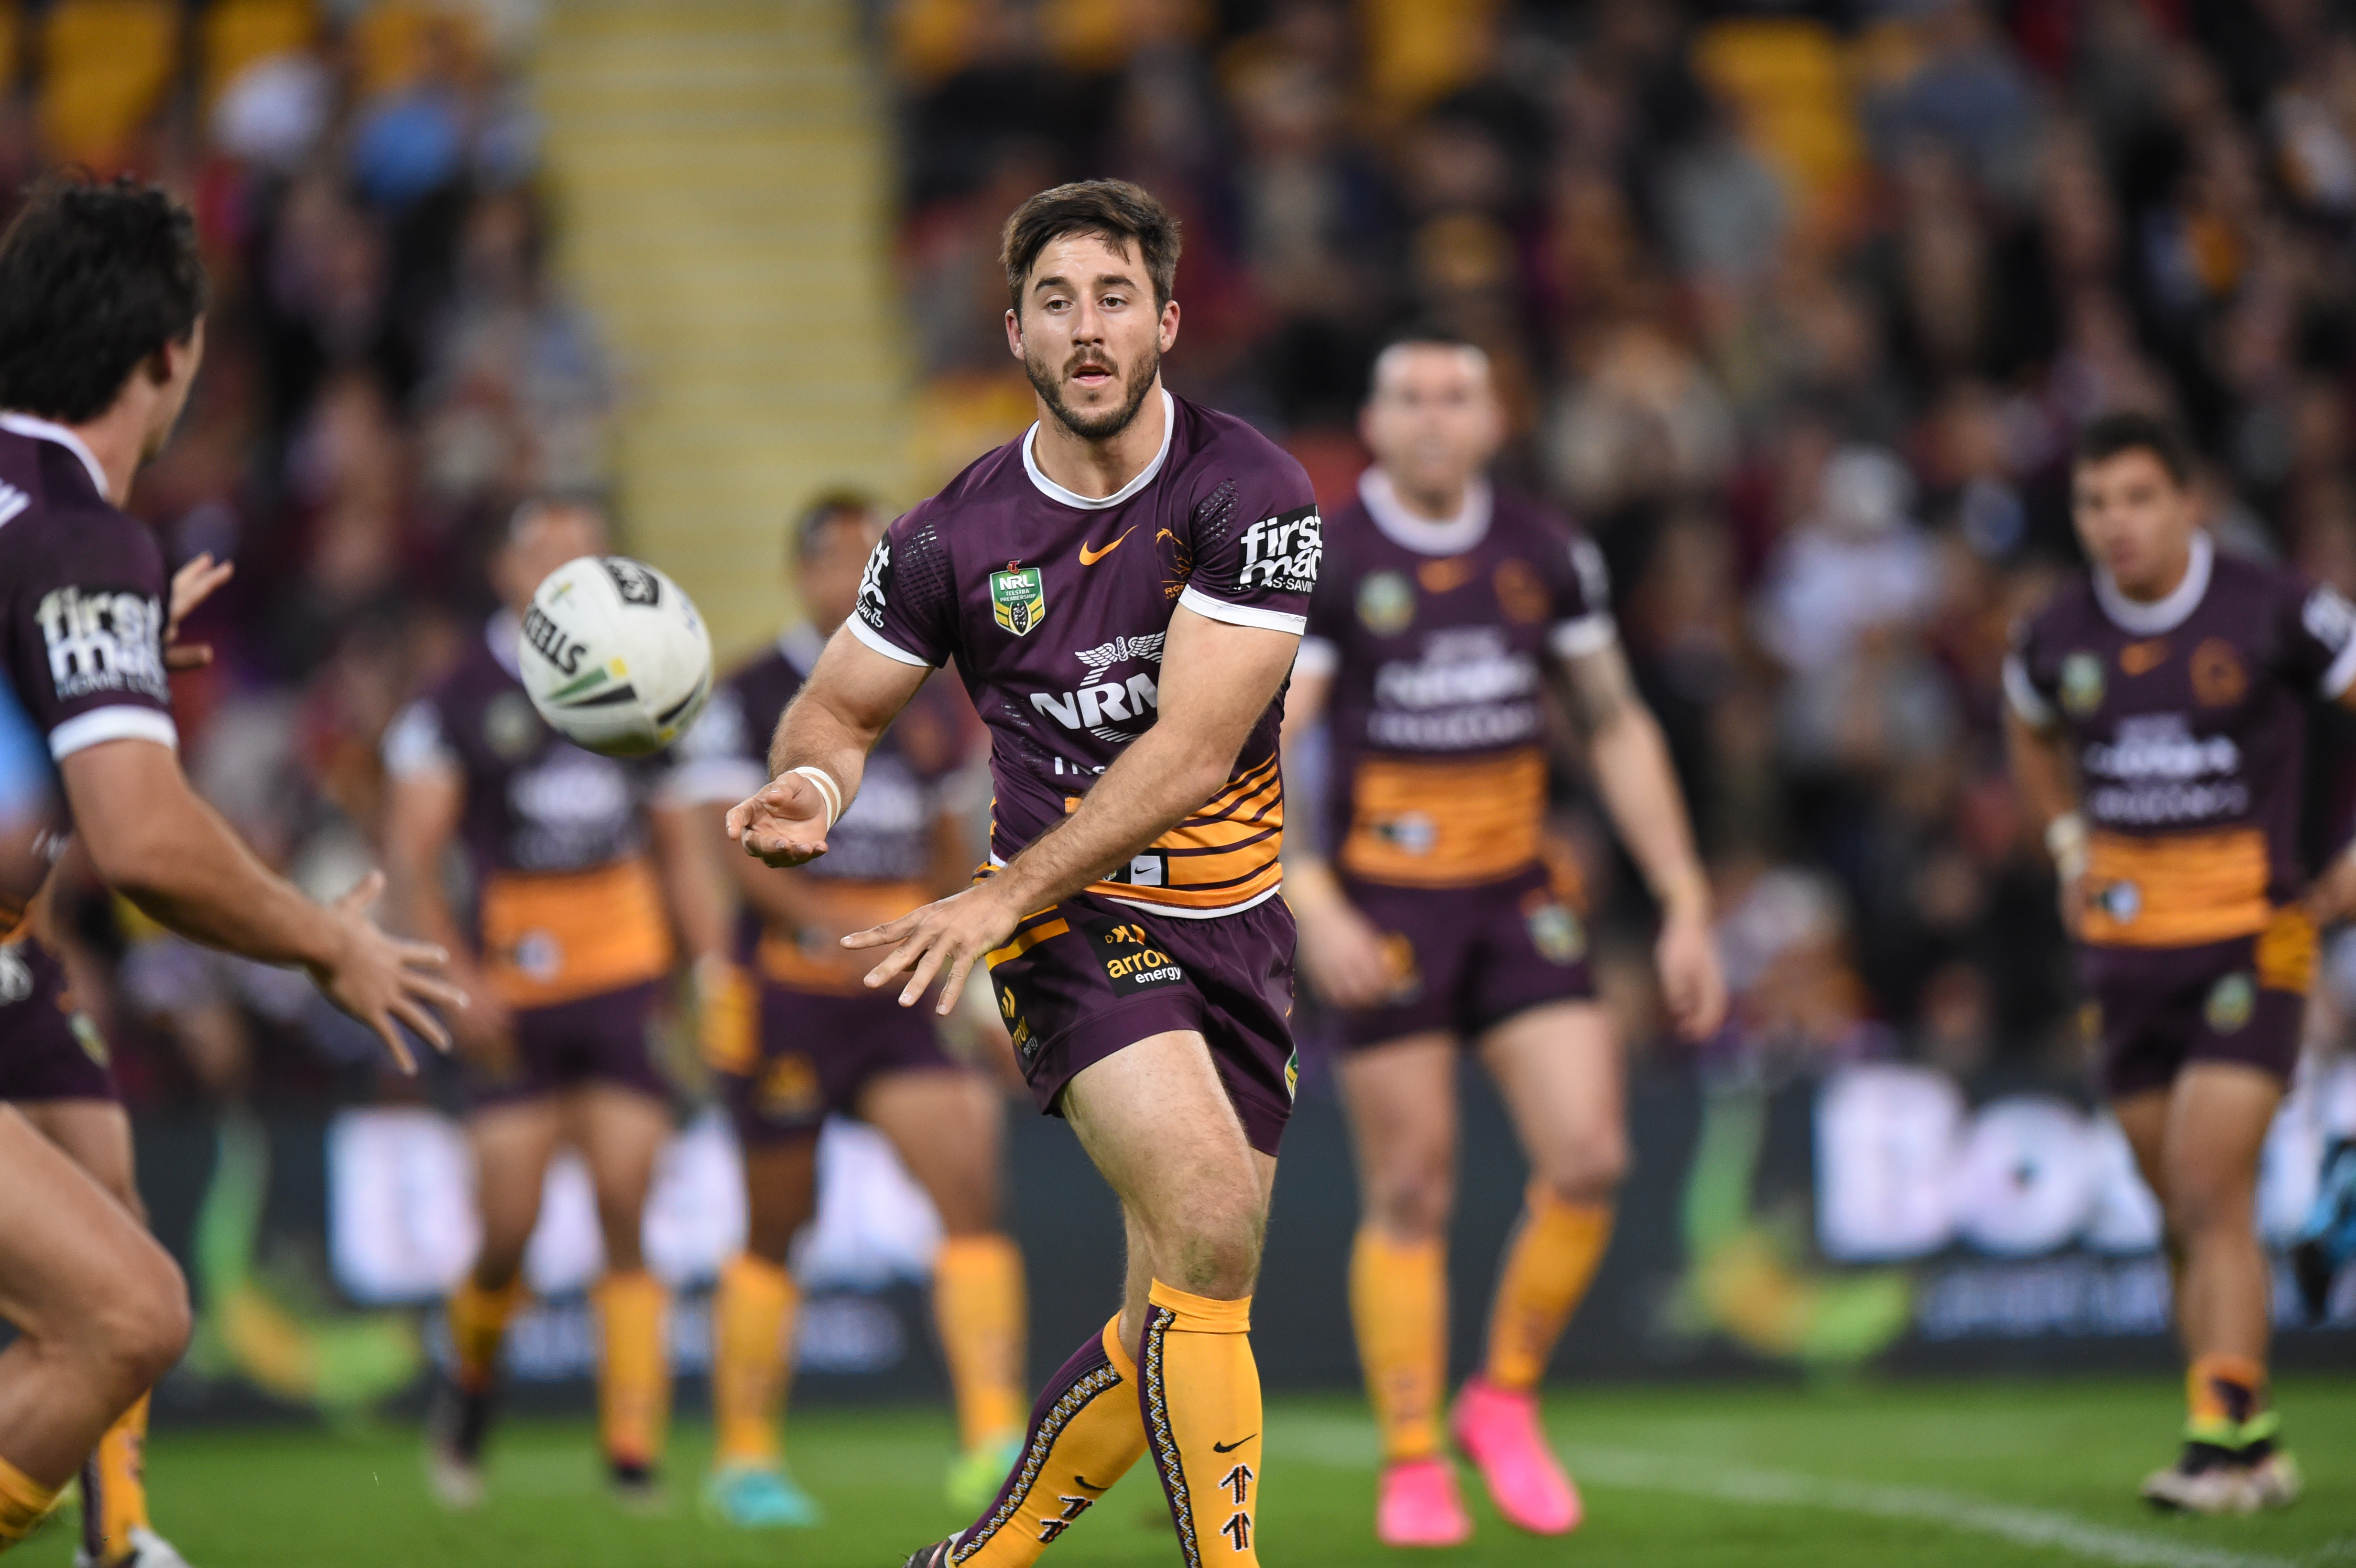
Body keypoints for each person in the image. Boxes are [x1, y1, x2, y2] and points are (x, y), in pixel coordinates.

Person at [728, 179, 1318, 1568]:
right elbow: (838, 707)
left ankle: (980, 1559)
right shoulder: (949, 537)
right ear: (1015, 334)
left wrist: (994, 887)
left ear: (1169, 320)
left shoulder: (1254, 492)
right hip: (1068, 928)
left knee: (1177, 1291)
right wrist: (811, 784)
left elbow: (1194, 749)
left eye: (1115, 298)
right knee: (1217, 1229)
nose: (1088, 328)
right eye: (1056, 303)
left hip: (1235, 923)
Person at [0, 174, 456, 1561]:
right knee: (130, 1312)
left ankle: (114, 1538)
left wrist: (106, 657)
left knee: (106, 1191)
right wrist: (327, 940)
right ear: (168, 355)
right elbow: (142, 842)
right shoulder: (75, 536)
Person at [1280, 333, 1727, 1546]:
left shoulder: (1543, 549)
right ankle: (1412, 1454)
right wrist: (1309, 894)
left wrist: (1683, 896)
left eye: (1457, 397)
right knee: (1413, 1184)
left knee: (1588, 1153)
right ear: (1372, 423)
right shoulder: (1328, 554)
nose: (1434, 417)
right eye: (1411, 397)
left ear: (1494, 420)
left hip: (1519, 888)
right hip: (1384, 901)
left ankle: (1503, 1397)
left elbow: (1616, 721)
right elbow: (1277, 738)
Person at [2006, 409, 2354, 1513]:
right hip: (2123, 952)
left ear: (2188, 500)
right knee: (2179, 1211)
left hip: (2254, 932)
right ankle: (2246, 1435)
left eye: (2137, 498)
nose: (2115, 524)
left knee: (2209, 1185)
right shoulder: (2056, 632)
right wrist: (2065, 842)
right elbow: (2026, 729)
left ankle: (2213, 1444)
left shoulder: (2274, 607)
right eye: (2094, 504)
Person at [666, 490, 1027, 1526]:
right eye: (843, 555)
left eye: (879, 552)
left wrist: (959, 946)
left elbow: (946, 841)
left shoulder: (930, 693)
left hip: (896, 991)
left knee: (966, 1176)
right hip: (787, 994)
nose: (862, 570)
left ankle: (993, 1433)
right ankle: (744, 1456)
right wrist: (812, 928)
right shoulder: (748, 693)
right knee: (779, 1222)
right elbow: (725, 846)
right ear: (804, 572)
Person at [382, 497, 725, 1509]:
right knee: (509, 1223)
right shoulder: (457, 694)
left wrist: (709, 970)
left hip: (622, 974)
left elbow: (679, 845)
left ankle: (633, 1451)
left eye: (584, 551)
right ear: (504, 570)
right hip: (511, 986)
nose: (565, 566)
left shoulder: (647, 662)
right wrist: (456, 973)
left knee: (628, 1198)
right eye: (545, 550)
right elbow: (413, 855)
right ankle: (471, 1392)